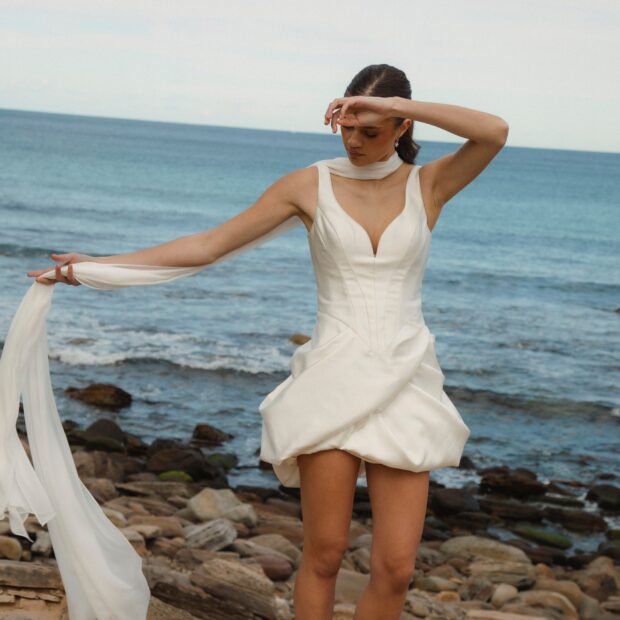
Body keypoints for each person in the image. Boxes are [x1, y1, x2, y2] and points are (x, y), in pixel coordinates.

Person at [27, 64, 508, 620]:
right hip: (334, 379)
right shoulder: (308, 185)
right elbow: (209, 245)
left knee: (397, 567)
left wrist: (397, 105)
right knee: (325, 555)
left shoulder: (429, 184)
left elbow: (494, 132)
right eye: (347, 128)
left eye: (370, 130)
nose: (353, 141)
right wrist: (100, 265)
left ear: (401, 126)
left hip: (407, 381)